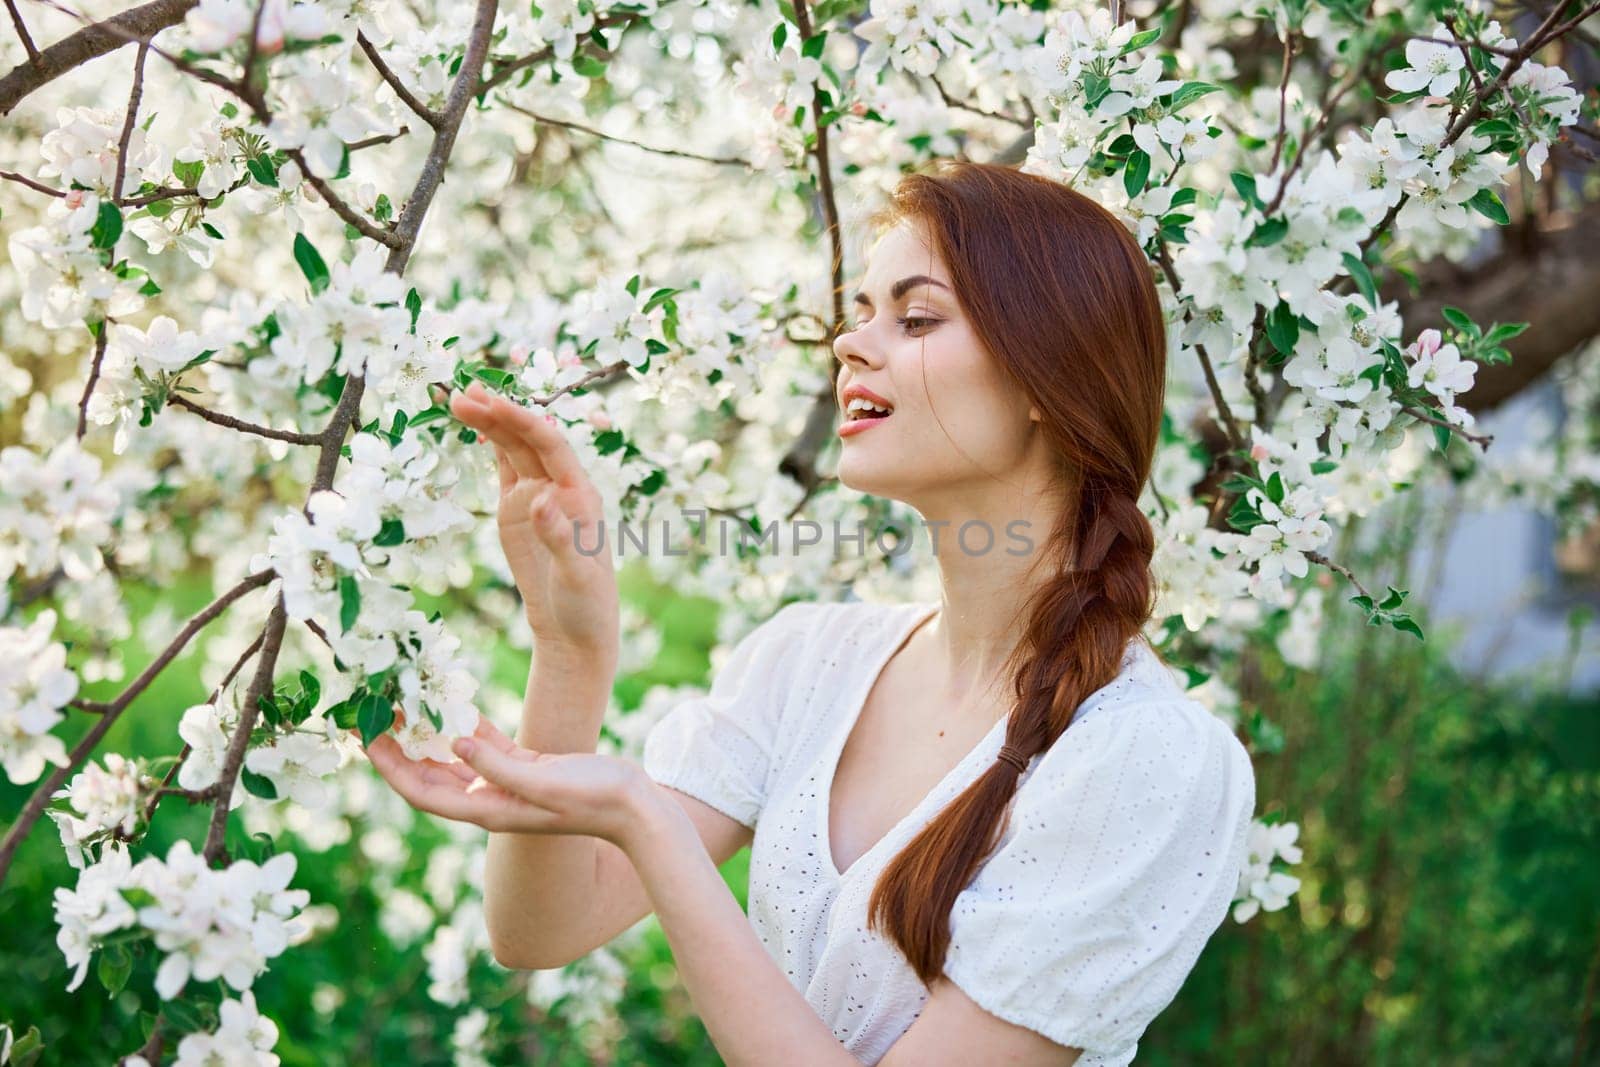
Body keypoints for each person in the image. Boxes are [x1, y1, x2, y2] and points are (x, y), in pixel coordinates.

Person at [364, 160, 1257, 1066]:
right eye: (860, 311)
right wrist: (570, 650)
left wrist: (646, 816)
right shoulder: (811, 660)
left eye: (914, 318)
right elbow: (539, 930)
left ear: (1045, 379)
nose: (849, 344)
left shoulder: (1144, 760)